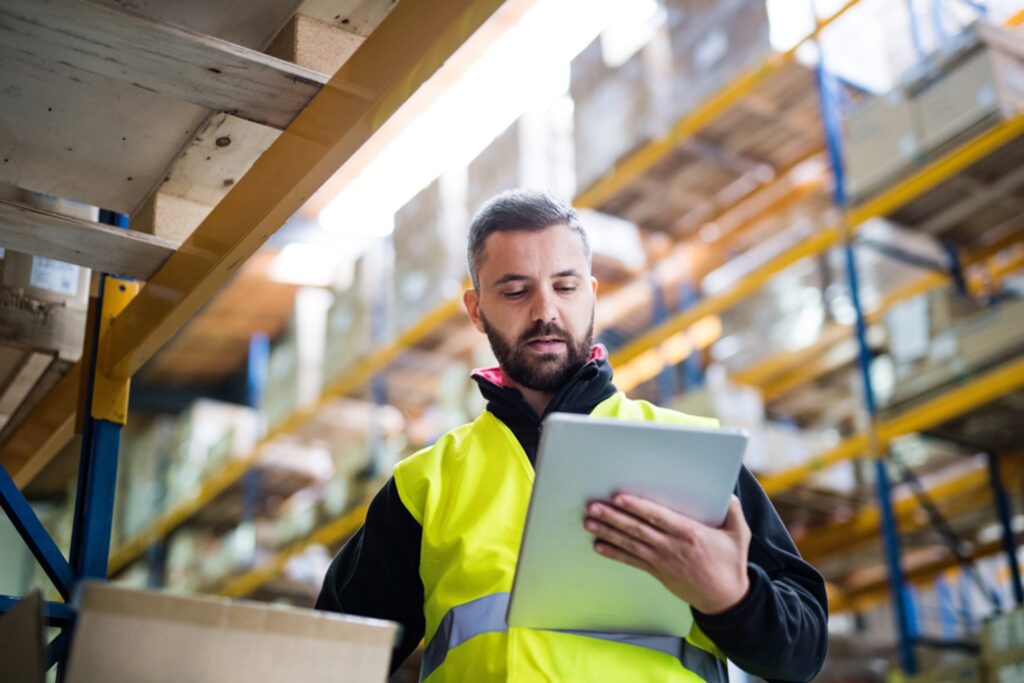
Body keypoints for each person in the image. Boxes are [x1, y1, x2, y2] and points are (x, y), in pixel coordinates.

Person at [317, 189, 828, 682]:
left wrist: (732, 598)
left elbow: (803, 652)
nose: (545, 311)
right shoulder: (424, 488)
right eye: (516, 290)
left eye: (565, 286)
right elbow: (325, 661)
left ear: (591, 293)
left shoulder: (690, 452)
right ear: (476, 311)